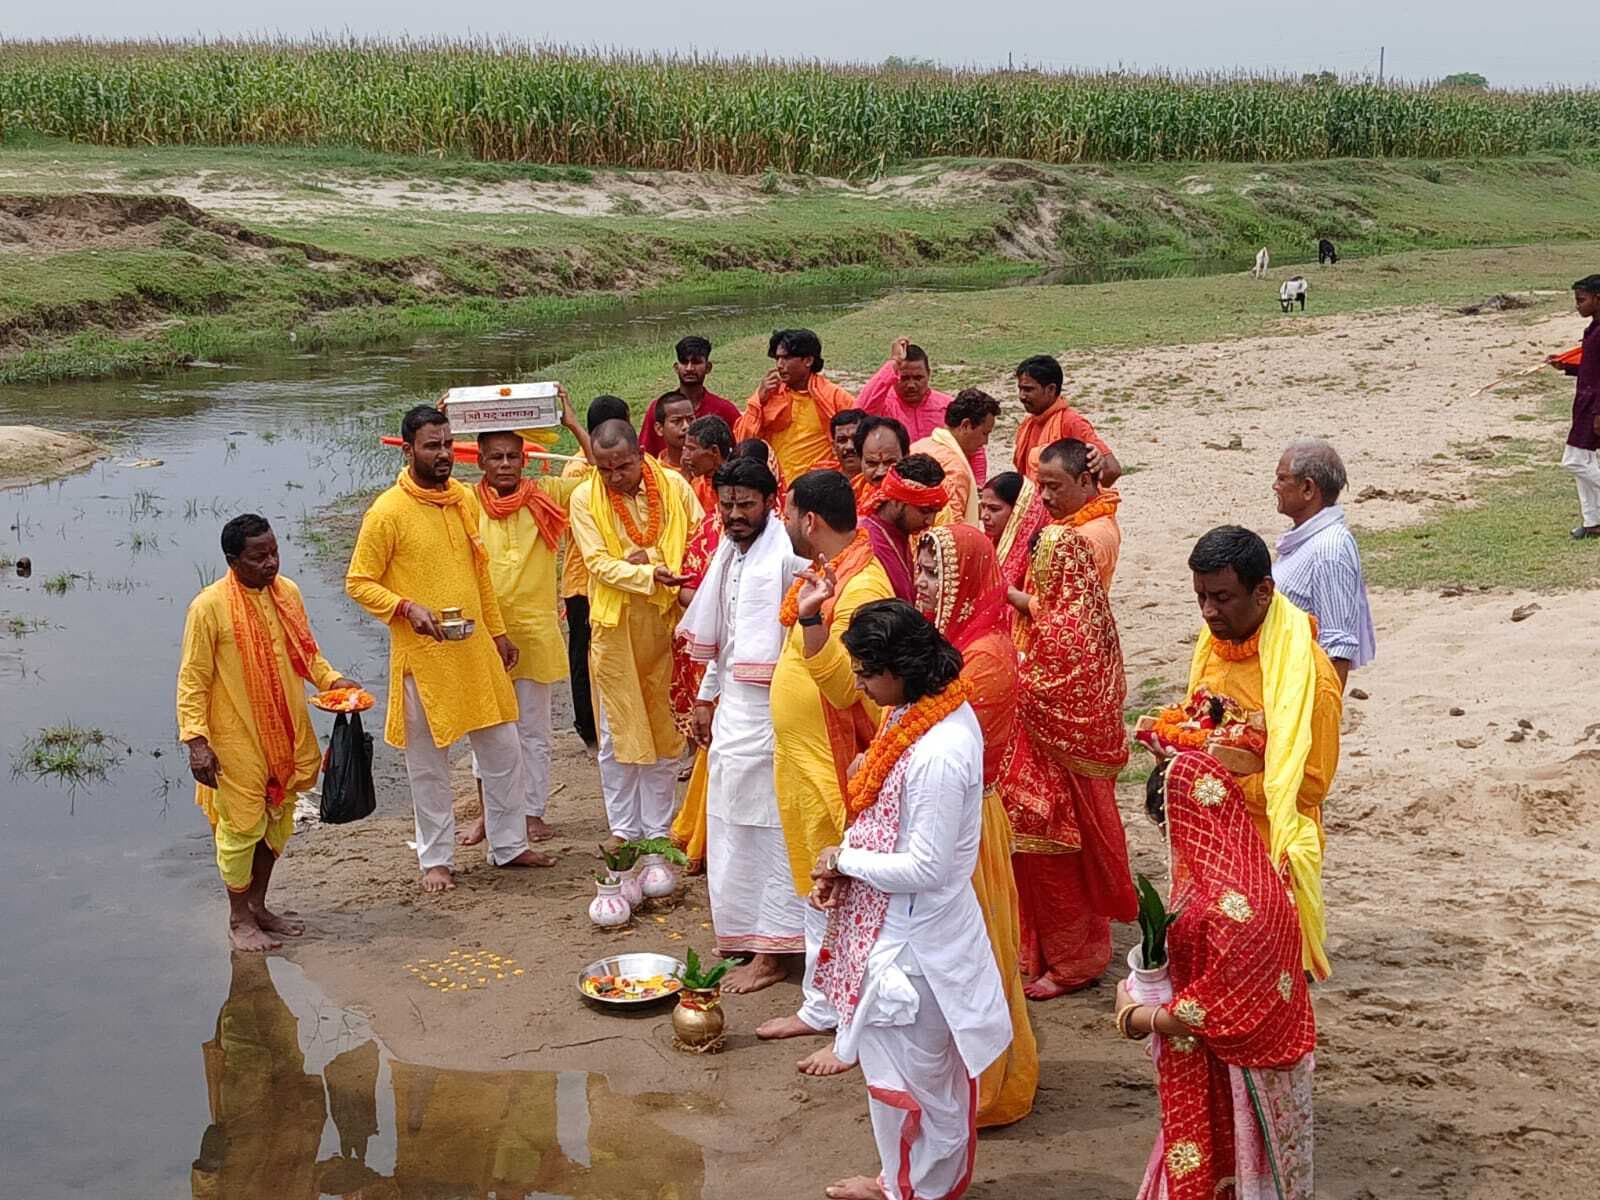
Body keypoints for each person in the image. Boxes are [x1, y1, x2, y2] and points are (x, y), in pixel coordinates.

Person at [809, 600, 1011, 1200]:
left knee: (924, 1090)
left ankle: (916, 1191)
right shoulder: (915, 713)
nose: (863, 685)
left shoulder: (942, 749)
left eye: (869, 672)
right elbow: (884, 820)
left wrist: (842, 860)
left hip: (917, 947)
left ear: (903, 666)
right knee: (908, 1083)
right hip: (896, 931)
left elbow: (925, 865)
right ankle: (901, 1180)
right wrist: (846, 868)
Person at [346, 406, 547, 892]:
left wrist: (498, 634)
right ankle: (436, 860)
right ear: (409, 448)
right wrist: (405, 607)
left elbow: (480, 574)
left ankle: (508, 844)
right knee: (428, 766)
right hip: (424, 658)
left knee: (504, 750)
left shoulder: (460, 499)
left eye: (446, 444)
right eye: (431, 446)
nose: (442, 455)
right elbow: (358, 582)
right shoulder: (387, 512)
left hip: (473, 647)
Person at [1117, 753, 1317, 1200]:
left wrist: (1135, 1016)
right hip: (1276, 1068)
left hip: (1238, 1078)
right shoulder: (1259, 873)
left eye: (1169, 830)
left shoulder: (1223, 905)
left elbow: (1222, 1007)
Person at [754, 470, 893, 1070]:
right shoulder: (830, 571)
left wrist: (812, 624)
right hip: (804, 755)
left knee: (844, 883)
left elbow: (852, 687)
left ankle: (850, 1014)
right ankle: (819, 1003)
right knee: (816, 876)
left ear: (808, 520)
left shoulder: (860, 586)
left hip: (836, 759)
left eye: (787, 513)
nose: (782, 523)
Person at [177, 513, 357, 951]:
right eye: (259, 557)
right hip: (235, 735)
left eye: (274, 552)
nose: (271, 563)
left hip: (286, 730)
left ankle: (258, 906)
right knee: (241, 828)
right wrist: (196, 742)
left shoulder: (288, 594)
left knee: (278, 820)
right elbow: (193, 679)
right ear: (232, 559)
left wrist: (333, 682)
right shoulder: (209, 606)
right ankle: (238, 919)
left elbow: (306, 654)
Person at [913, 524, 1039, 1128]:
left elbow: (934, 735)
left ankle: (989, 1087)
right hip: (936, 811)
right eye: (923, 569)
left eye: (938, 574)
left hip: (968, 825)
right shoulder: (945, 639)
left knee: (975, 954)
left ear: (968, 581)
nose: (923, 583)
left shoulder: (985, 657)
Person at [1186, 525, 1340, 979]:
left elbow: (1310, 784)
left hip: (1269, 855)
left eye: (1222, 597)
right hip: (1211, 845)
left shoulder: (1311, 677)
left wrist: (1219, 781)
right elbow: (1199, 724)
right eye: (1201, 597)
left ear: (1264, 592)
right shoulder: (1214, 646)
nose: (1209, 612)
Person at [677, 455, 808, 991]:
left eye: (745, 505)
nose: (733, 514)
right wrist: (706, 697)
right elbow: (726, 640)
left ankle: (775, 953)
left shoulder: (787, 558)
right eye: (726, 504)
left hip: (774, 713)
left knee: (771, 830)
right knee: (729, 824)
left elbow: (797, 647)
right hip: (732, 710)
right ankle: (741, 934)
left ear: (770, 503)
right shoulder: (729, 554)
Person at [1001, 524, 1137, 998]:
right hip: (1072, 761)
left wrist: (1010, 675)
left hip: (1054, 766)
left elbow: (1045, 693)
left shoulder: (1062, 628)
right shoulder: (1087, 609)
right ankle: (1054, 953)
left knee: (1052, 861)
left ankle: (1072, 964)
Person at [455, 393, 592, 853]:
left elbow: (598, 477)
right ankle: (489, 816)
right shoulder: (465, 503)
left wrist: (572, 424)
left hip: (534, 631)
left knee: (532, 730)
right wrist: (441, 420)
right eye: (496, 457)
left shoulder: (547, 495)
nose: (507, 464)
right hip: (483, 634)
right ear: (481, 460)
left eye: (514, 456)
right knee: (487, 729)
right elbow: (424, 486)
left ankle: (531, 813)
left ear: (526, 458)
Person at [568, 419, 702, 849]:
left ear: (640, 455)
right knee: (616, 732)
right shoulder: (585, 497)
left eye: (621, 467)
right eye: (604, 469)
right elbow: (597, 563)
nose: (613, 477)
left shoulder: (676, 487)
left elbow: (699, 539)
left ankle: (659, 830)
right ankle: (624, 828)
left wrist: (650, 558)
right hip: (616, 627)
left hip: (669, 624)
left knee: (665, 727)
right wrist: (648, 571)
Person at [1272, 438, 1376, 687]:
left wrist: (1322, 718)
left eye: (1282, 479)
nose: (1275, 486)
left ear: (1308, 489)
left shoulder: (1329, 550)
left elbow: (1338, 645)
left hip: (1300, 695)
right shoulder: (1308, 540)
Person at [562, 395, 632, 750]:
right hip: (582, 582)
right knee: (583, 656)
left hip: (619, 577)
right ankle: (589, 727)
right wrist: (572, 427)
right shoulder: (577, 468)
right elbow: (599, 486)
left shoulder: (626, 461)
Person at [857, 337, 990, 484]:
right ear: (895, 376)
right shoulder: (883, 406)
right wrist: (893, 363)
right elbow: (860, 410)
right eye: (904, 378)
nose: (911, 385)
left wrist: (978, 483)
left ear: (929, 374)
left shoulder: (948, 406)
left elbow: (974, 447)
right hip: (896, 487)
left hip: (945, 488)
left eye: (918, 378)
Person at [736, 328, 855, 479]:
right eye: (777, 358)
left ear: (808, 360)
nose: (779, 365)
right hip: (777, 486)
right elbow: (742, 441)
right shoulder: (768, 394)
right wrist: (758, 401)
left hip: (819, 485)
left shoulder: (834, 397)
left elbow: (860, 437)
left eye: (786, 358)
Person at [1011, 354, 1120, 485]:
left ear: (1051, 389)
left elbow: (1112, 469)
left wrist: (1078, 497)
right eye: (1020, 389)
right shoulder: (1028, 424)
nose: (1021, 396)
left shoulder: (1071, 422)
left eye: (1028, 389)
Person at [858, 455, 948, 602]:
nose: (930, 521)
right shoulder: (866, 542)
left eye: (935, 513)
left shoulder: (902, 532)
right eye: (924, 511)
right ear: (897, 500)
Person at [1036, 437, 1121, 588]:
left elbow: (1066, 604)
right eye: (1041, 486)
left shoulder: (1089, 539)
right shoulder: (1076, 506)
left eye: (1054, 487)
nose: (1044, 496)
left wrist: (1011, 595)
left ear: (1084, 481)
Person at [639, 335, 741, 458]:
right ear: (676, 368)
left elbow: (740, 452)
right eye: (684, 362)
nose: (689, 368)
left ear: (708, 367)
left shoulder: (725, 410)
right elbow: (645, 456)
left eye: (696, 362)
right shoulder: (658, 408)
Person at [911, 387, 999, 527]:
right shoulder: (954, 469)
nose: (985, 442)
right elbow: (953, 532)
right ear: (966, 426)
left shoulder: (919, 446)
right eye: (984, 433)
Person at [1555, 275, 1600, 538]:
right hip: (1585, 402)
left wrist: (1598, 412)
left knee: (1573, 460)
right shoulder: (1593, 328)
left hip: (1594, 405)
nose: (1578, 306)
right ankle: (1593, 521)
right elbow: (1592, 368)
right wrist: (1567, 366)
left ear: (1598, 299)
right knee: (1584, 459)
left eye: (1582, 300)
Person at [681, 413, 735, 513]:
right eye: (685, 448)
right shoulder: (696, 486)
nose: (685, 457)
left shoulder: (741, 485)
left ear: (714, 451)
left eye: (691, 449)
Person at [853, 414, 910, 505]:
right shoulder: (853, 494)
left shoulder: (922, 502)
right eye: (872, 463)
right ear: (861, 460)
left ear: (906, 457)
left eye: (890, 462)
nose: (881, 472)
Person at [649, 390, 697, 473]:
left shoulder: (709, 466)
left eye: (691, 419)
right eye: (677, 421)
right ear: (659, 429)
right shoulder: (657, 474)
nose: (686, 426)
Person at [830, 409, 867, 481]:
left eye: (856, 439)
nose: (850, 446)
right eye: (842, 440)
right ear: (834, 447)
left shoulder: (882, 482)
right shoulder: (823, 481)